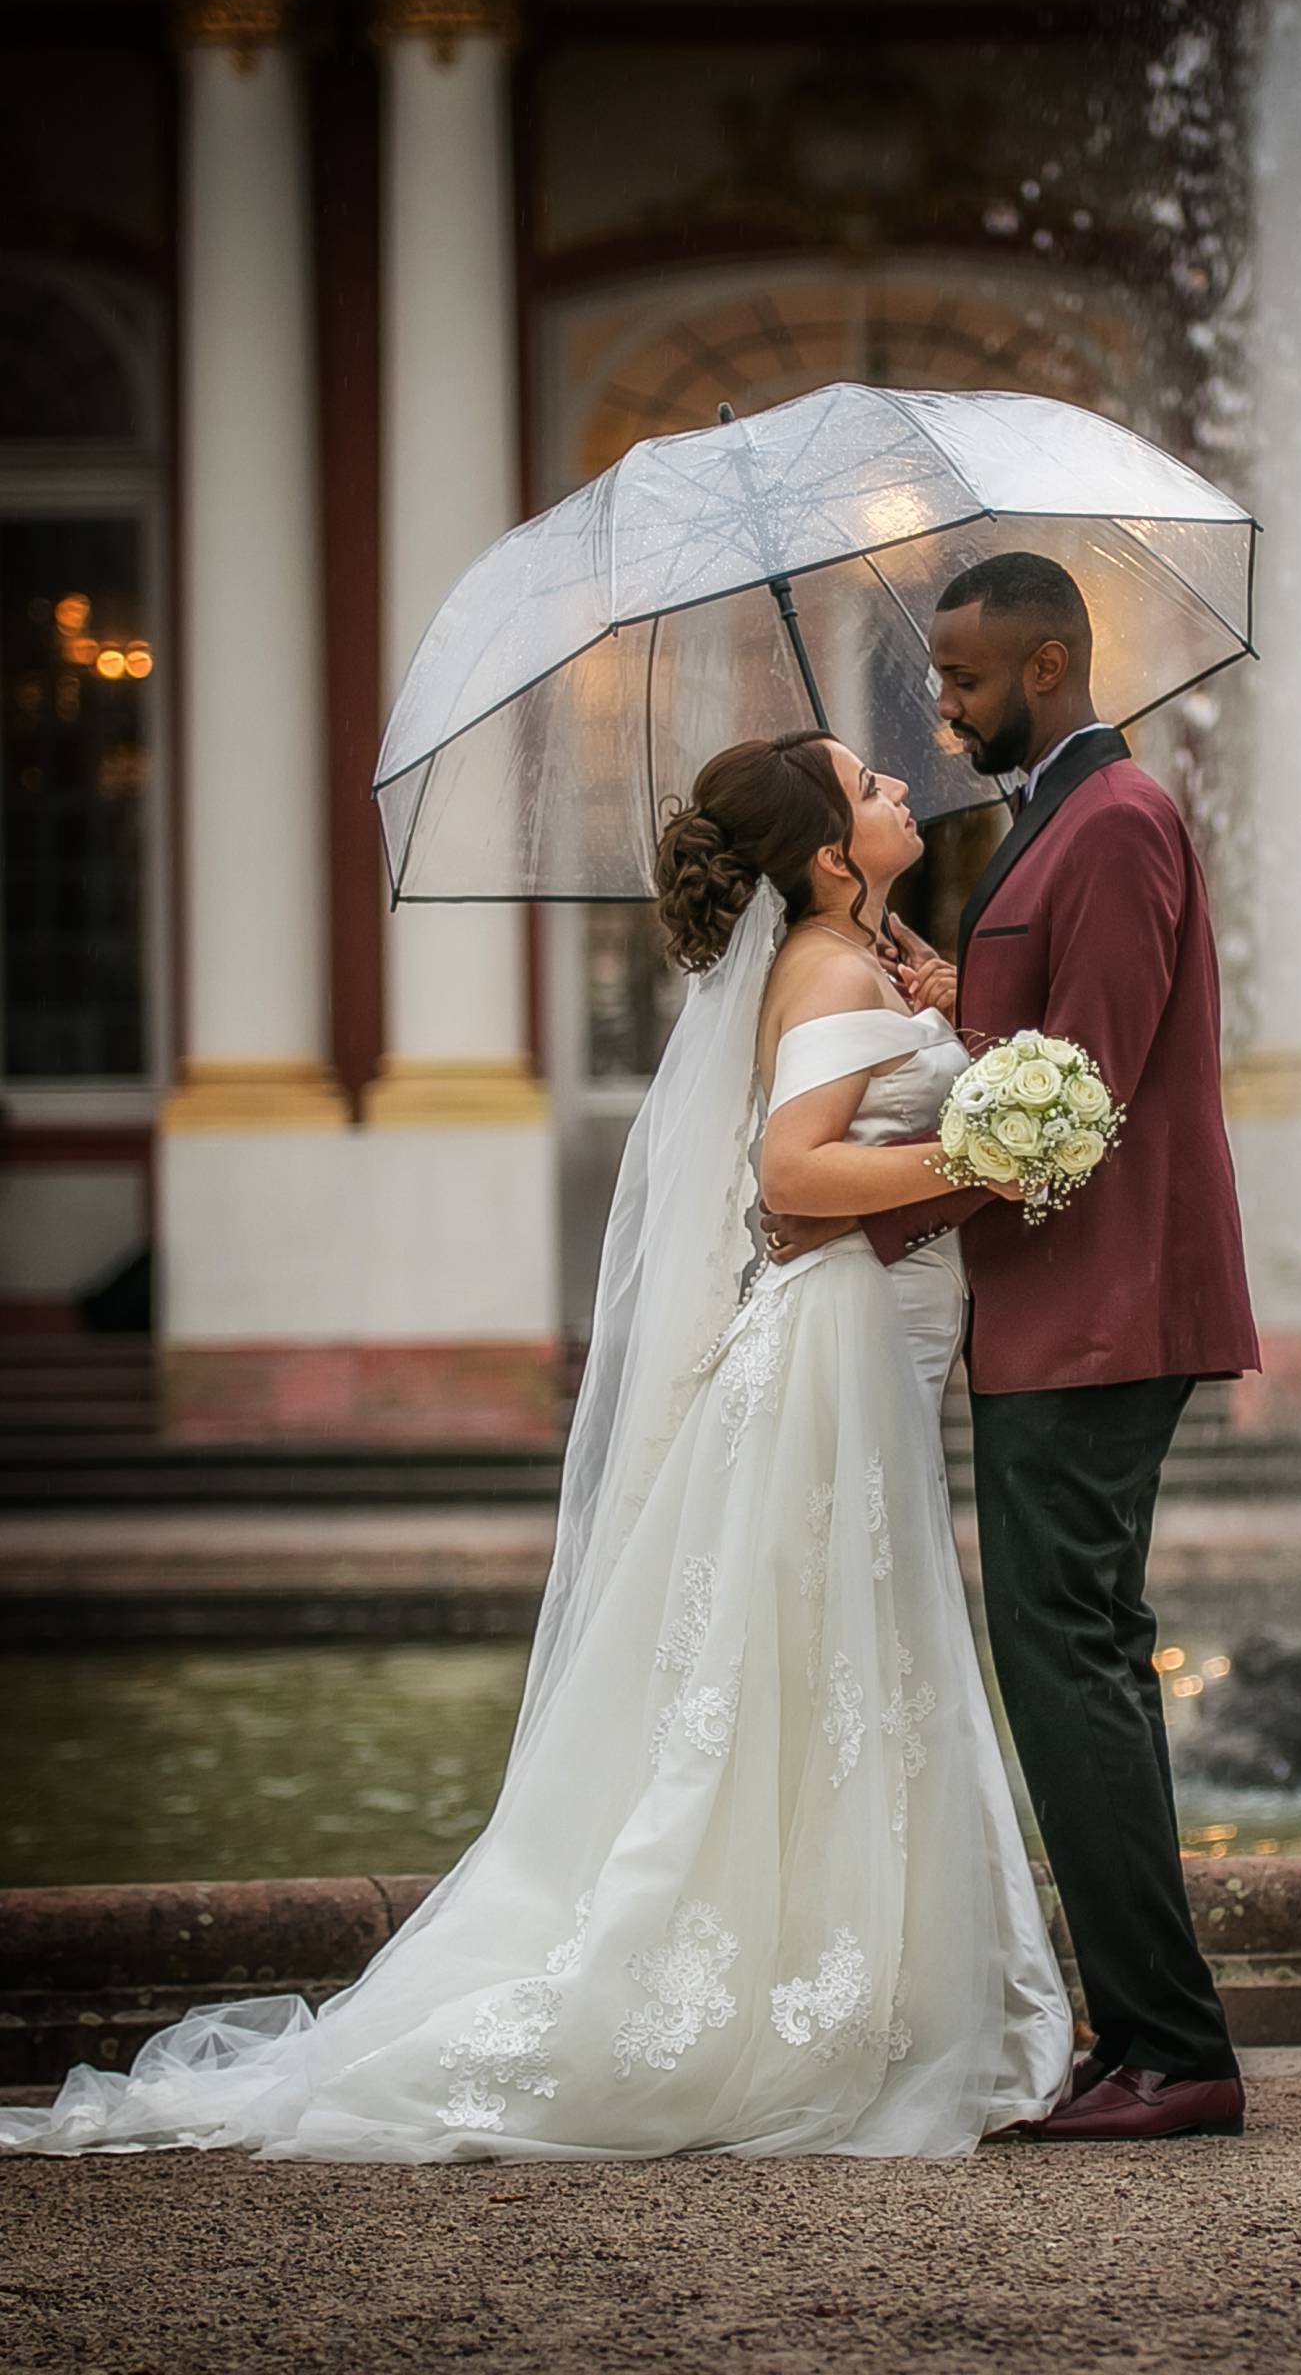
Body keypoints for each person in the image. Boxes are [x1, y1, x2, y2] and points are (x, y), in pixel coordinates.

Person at [0, 730, 1072, 2163]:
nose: (899, 794)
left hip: (877, 1333)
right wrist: (982, 1156)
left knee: (845, 1653)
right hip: (838, 1345)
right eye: (873, 789)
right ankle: (812, 1992)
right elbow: (794, 1175)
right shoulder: (824, 968)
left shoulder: (858, 956)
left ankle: (860, 1968)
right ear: (826, 856)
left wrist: (941, 1004)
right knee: (830, 1654)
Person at [765, 553, 1261, 2141]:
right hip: (1065, 1309)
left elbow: (1083, 1103)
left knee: (1068, 1665)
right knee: (1082, 1654)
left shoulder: (1114, 823)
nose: (946, 708)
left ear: (1049, 667)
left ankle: (1172, 2051)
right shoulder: (1060, 823)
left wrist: (882, 1217)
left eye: (965, 681)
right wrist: (950, 1006)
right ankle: (1147, 2039)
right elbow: (1031, 1067)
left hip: (1102, 1311)